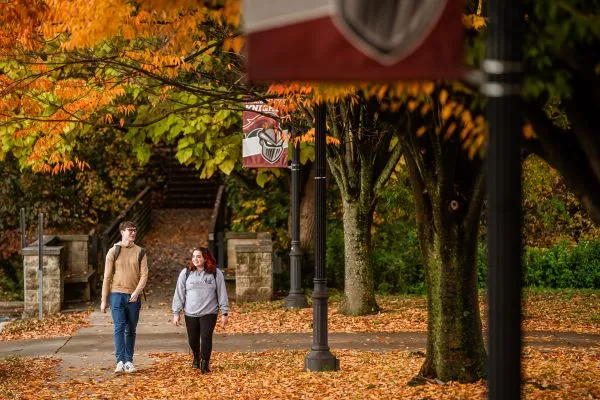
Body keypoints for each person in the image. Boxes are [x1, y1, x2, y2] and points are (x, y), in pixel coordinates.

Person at [100, 221, 148, 374]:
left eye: (135, 230)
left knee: (131, 329)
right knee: (119, 327)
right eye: (130, 230)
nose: (133, 233)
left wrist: (137, 292)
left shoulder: (140, 252)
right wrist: (103, 300)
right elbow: (107, 277)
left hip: (134, 296)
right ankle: (120, 361)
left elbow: (144, 275)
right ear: (122, 232)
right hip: (116, 294)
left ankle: (129, 361)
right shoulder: (113, 251)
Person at [172, 247, 229, 373]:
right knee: (193, 339)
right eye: (194, 256)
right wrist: (176, 312)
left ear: (205, 258)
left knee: (206, 336)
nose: (195, 259)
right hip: (190, 313)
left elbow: (222, 293)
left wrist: (224, 312)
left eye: (198, 256)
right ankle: (196, 356)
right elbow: (179, 293)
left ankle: (205, 363)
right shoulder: (186, 273)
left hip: (209, 312)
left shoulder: (215, 273)